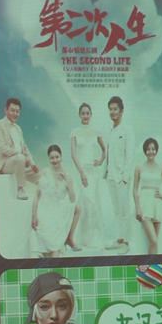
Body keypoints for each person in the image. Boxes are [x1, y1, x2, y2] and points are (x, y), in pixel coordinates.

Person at [133, 137, 162, 255]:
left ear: (156, 150)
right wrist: (137, 207)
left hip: (157, 205)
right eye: (148, 149)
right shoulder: (139, 167)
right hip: (144, 204)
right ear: (145, 150)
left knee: (154, 243)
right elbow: (134, 189)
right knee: (153, 241)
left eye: (153, 149)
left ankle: (153, 265)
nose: (151, 151)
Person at [31, 144, 79, 257]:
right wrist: (34, 215)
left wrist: (68, 182)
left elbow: (72, 199)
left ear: (61, 157)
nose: (55, 160)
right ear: (48, 159)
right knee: (51, 247)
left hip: (58, 208)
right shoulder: (44, 172)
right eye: (52, 158)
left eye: (57, 157)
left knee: (78, 208)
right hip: (45, 208)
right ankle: (51, 250)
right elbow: (37, 195)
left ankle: (69, 238)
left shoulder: (67, 175)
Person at [69, 102, 106, 250]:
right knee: (81, 203)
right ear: (79, 115)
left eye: (87, 113)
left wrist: (100, 160)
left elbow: (105, 149)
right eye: (83, 113)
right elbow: (73, 155)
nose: (85, 116)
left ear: (91, 115)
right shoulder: (74, 132)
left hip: (93, 172)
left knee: (92, 203)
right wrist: (82, 173)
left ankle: (91, 238)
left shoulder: (96, 131)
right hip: (80, 171)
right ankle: (76, 238)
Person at [0, 96, 38, 198]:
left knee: (38, 172)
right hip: (4, 165)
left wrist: (32, 163)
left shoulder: (18, 129)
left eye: (17, 111)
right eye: (12, 110)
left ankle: (45, 190)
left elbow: (25, 148)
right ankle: (20, 189)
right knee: (20, 158)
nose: (15, 113)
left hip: (20, 162)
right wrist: (19, 155)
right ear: (5, 110)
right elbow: (1, 147)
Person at [103, 95, 131, 250]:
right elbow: (108, 153)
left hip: (122, 178)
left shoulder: (127, 130)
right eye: (110, 109)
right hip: (111, 177)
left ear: (121, 111)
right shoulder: (110, 131)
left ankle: (126, 242)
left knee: (124, 210)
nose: (112, 112)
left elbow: (129, 155)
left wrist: (124, 178)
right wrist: (106, 173)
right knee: (116, 210)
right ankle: (119, 239)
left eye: (115, 109)